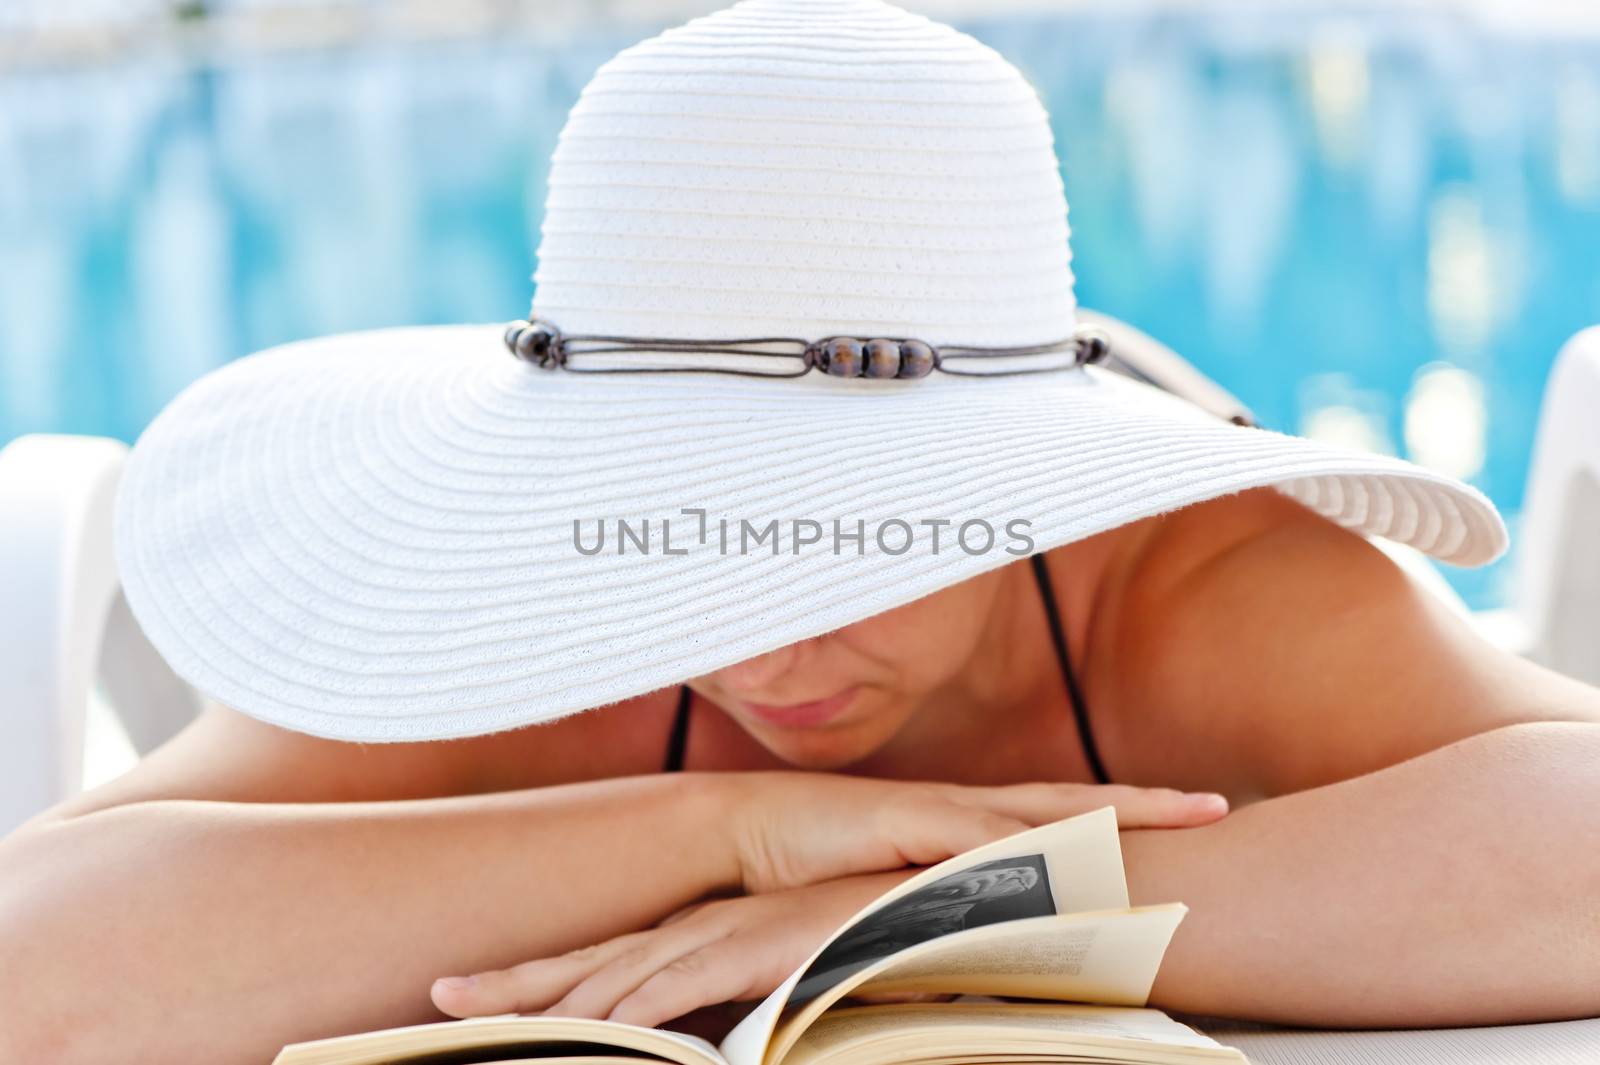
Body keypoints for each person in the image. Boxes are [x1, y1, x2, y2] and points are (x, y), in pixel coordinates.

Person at [5, 1, 1600, 1063]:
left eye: (857, 547)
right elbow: (32, 964)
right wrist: (715, 835)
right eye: (698, 543)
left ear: (1032, 483)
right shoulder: (535, 606)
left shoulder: (1191, 588)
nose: (771, 644)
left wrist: (949, 912)